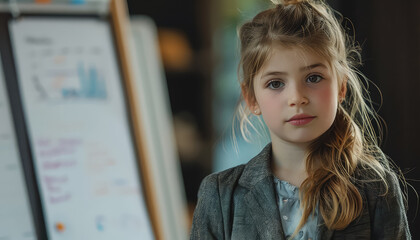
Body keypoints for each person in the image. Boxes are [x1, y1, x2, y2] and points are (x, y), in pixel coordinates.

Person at [190, 0, 411, 239]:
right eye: (275, 83)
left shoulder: (377, 188)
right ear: (251, 98)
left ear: (342, 86)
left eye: (314, 78)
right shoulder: (220, 195)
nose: (296, 98)